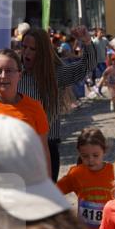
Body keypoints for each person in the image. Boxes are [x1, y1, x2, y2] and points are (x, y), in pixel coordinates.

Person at [19, 25, 100, 181]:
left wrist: (87, 42)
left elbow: (87, 66)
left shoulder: (56, 74)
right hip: (19, 149)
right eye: (24, 47)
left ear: (42, 52)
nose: (26, 52)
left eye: (32, 49)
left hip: (47, 148)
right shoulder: (14, 72)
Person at [57, 128, 114, 229]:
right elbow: (55, 190)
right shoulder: (76, 173)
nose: (90, 160)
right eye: (85, 156)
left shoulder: (114, 171)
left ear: (104, 151)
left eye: (95, 155)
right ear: (79, 153)